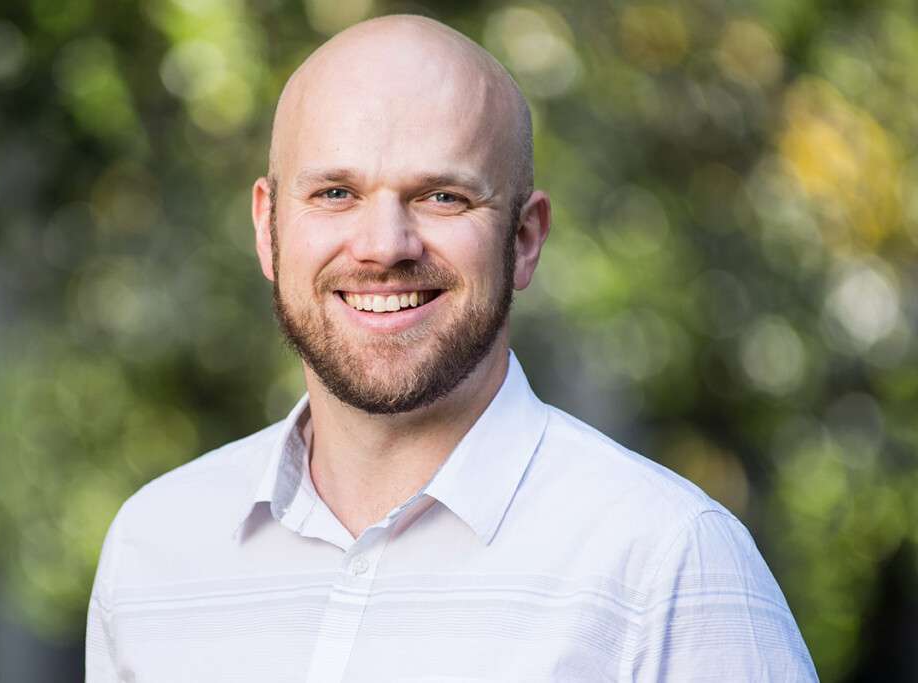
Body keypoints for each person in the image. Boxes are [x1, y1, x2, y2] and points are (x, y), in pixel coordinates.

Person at [86, 14, 817, 682]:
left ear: (524, 240)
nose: (383, 248)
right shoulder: (152, 550)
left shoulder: (668, 562)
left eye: (442, 197)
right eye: (336, 193)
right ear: (266, 227)